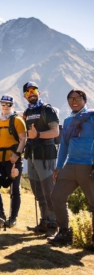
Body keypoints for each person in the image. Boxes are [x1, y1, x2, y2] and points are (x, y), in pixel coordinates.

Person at [47, 89, 94, 246]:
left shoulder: (92, 117)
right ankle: (65, 233)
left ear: (84, 100)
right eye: (70, 98)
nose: (74, 101)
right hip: (70, 165)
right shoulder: (67, 121)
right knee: (57, 196)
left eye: (77, 98)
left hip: (89, 166)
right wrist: (59, 167)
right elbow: (64, 146)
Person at [23, 81, 59, 236]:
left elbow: (55, 132)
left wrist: (38, 135)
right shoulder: (27, 112)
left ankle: (53, 225)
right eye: (27, 92)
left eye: (33, 90)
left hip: (46, 156)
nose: (31, 93)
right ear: (25, 96)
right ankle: (44, 223)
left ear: (39, 92)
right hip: (31, 155)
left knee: (49, 191)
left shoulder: (47, 110)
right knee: (38, 192)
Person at [0, 95, 26, 227]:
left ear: (12, 106)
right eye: (3, 104)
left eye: (8, 104)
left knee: (14, 189)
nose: (5, 106)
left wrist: (17, 154)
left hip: (13, 160)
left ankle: (13, 218)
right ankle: (2, 215)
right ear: (0, 105)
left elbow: (23, 139)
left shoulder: (17, 120)